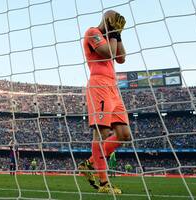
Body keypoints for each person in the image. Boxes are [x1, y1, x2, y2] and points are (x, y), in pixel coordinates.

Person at [79, 10, 130, 194]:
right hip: (98, 84)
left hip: (113, 88)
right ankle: (104, 183)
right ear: (106, 21)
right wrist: (113, 33)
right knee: (101, 133)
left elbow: (121, 58)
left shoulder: (112, 37)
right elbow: (108, 54)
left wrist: (118, 35)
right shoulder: (92, 32)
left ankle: (89, 164)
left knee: (124, 134)